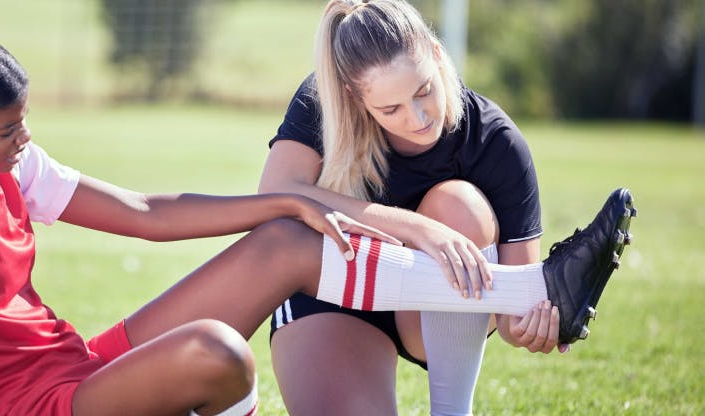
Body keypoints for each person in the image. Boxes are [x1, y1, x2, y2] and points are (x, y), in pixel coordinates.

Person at [0, 29, 633, 416]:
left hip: (69, 367)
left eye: (24, 121)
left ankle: (536, 286)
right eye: (6, 131)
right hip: (11, 407)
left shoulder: (0, 159)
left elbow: (145, 214)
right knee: (220, 351)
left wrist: (294, 200)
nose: (24, 141)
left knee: (288, 242)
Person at [258, 1, 634, 415]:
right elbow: (273, 195)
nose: (418, 117)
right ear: (354, 96)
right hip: (333, 292)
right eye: (390, 110)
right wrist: (417, 230)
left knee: (460, 207)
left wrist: (536, 321)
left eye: (424, 91)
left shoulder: (495, 141)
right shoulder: (323, 100)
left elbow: (510, 325)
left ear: (437, 56)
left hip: (429, 311)